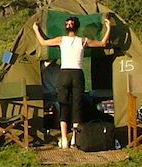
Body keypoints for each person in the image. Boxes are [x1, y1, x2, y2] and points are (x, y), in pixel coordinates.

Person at [32, 15, 112, 149]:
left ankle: (64, 139)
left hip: (64, 74)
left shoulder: (61, 40)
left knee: (63, 104)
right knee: (77, 105)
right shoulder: (82, 41)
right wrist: (109, 28)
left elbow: (43, 42)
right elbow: (103, 43)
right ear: (78, 27)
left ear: (66, 27)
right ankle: (75, 139)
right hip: (77, 74)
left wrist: (36, 29)